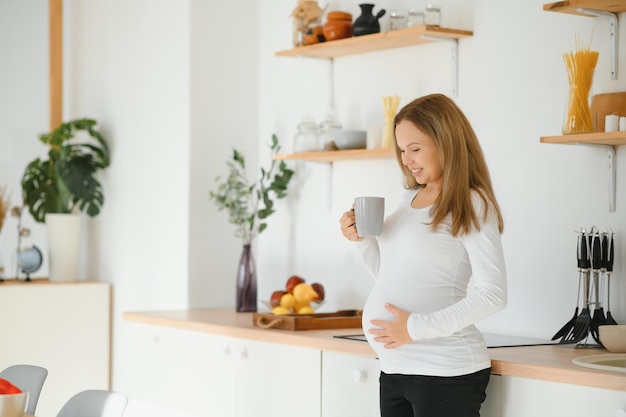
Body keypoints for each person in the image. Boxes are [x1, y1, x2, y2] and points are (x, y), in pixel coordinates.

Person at [339, 93, 507, 417]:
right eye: (402, 150)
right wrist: (361, 240)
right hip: (394, 367)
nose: (406, 159)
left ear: (446, 142)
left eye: (415, 149)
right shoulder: (409, 199)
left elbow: (493, 294)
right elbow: (389, 275)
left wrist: (414, 329)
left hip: (445, 372)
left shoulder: (471, 202)